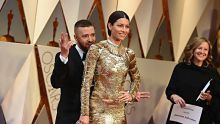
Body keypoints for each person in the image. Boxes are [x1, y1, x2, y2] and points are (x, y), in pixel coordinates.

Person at [79, 10, 144, 124]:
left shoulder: (129, 53)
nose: (124, 30)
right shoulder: (97, 49)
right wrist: (84, 114)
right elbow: (86, 83)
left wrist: (131, 95)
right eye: (120, 26)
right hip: (99, 108)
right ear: (110, 26)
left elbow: (136, 78)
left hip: (118, 110)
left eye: (127, 27)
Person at [165, 37, 220, 124]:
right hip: (179, 116)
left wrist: (209, 98)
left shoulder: (212, 72)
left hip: (202, 118)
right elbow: (170, 90)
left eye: (205, 49)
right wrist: (174, 96)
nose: (202, 52)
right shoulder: (180, 68)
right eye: (199, 48)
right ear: (193, 50)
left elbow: (217, 96)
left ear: (208, 52)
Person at [50, 19, 96, 124]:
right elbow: (55, 83)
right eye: (85, 36)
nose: (90, 39)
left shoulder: (99, 56)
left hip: (94, 118)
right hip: (69, 119)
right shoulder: (65, 56)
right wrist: (64, 56)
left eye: (92, 35)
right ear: (75, 37)